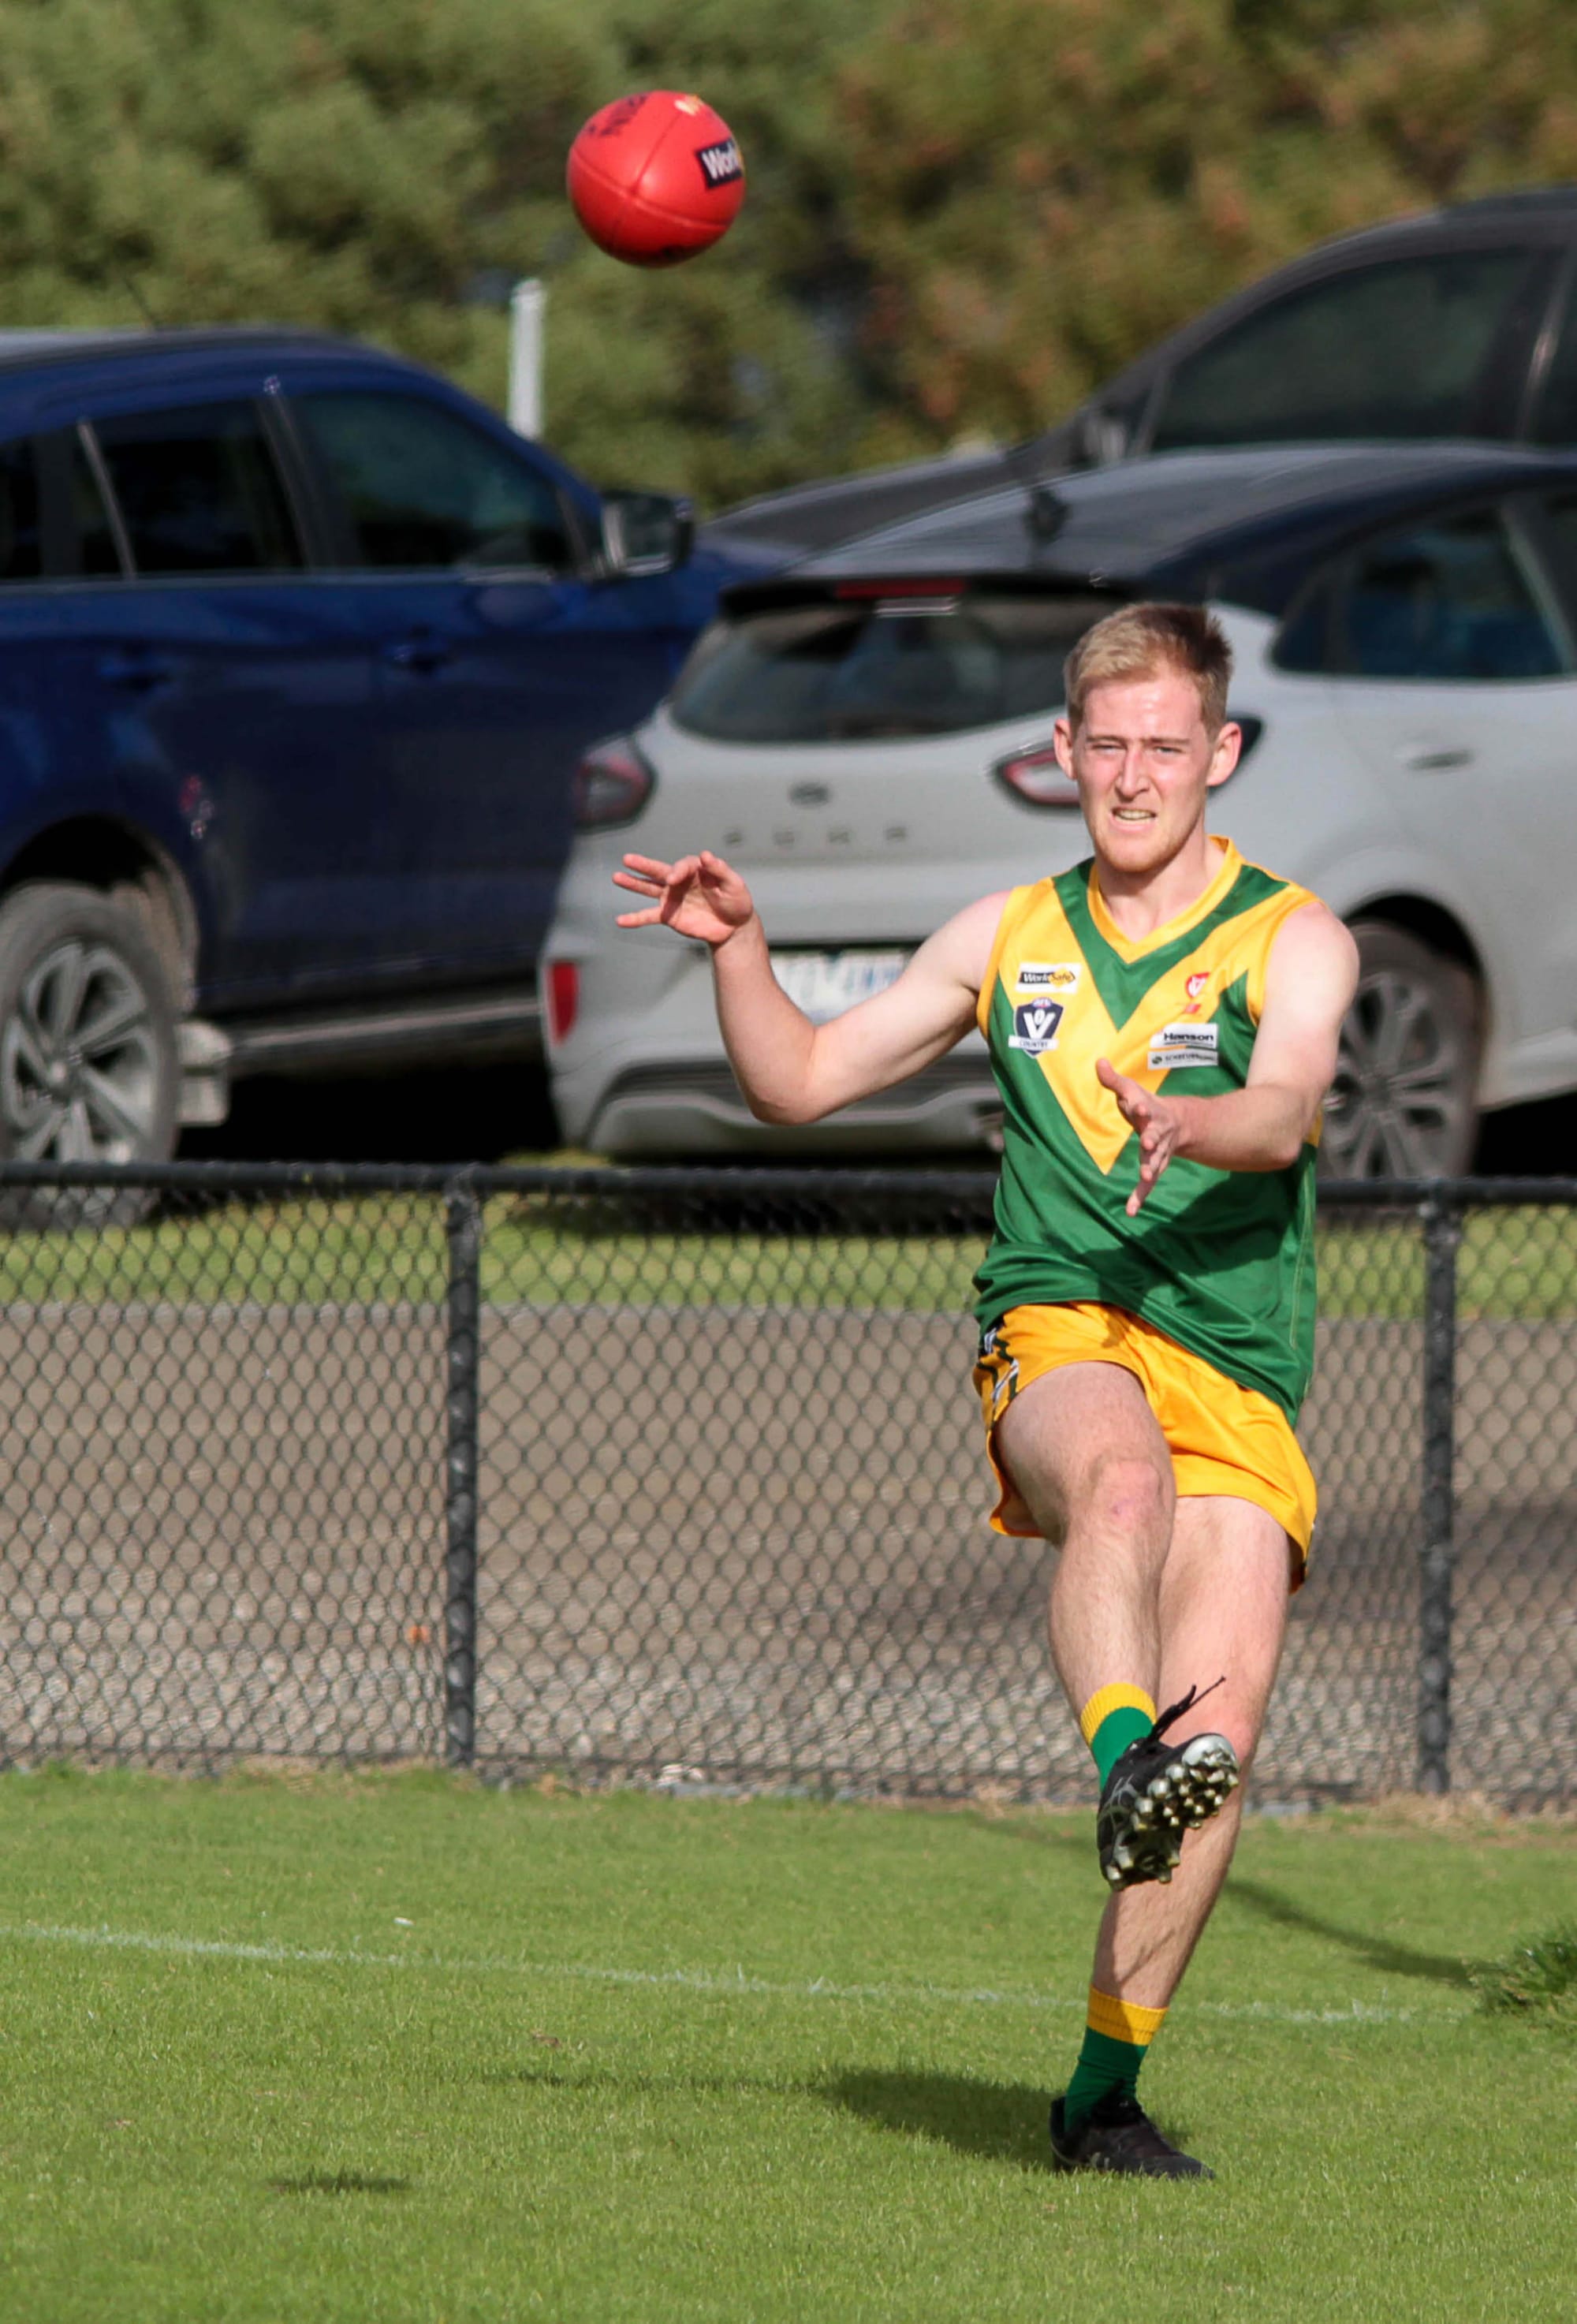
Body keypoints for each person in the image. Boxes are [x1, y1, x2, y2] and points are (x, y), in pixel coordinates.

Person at [613, 601, 1359, 2180]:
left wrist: (1196, 1118)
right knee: (1122, 1486)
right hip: (1061, 1323)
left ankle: (1100, 2099)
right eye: (1110, 745)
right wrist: (739, 952)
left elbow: (1288, 1104)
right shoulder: (1004, 935)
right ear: (1063, 752)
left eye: (1169, 747)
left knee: (1219, 1755)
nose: (1136, 776)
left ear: (1221, 754)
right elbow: (797, 1082)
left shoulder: (1294, 936)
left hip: (1235, 1364)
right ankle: (1118, 1761)